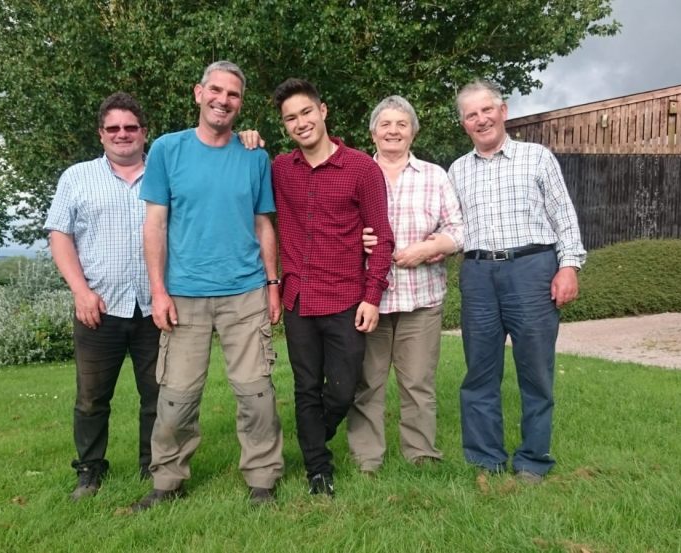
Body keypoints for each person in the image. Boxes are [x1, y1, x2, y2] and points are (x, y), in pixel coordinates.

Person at [132, 61, 284, 510]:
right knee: (176, 397)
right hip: (183, 296)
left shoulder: (255, 155)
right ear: (198, 93)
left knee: (256, 394)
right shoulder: (166, 150)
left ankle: (262, 479)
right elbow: (155, 225)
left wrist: (273, 283)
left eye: (233, 94)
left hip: (246, 292)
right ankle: (167, 481)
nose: (223, 100)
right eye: (215, 91)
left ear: (241, 103)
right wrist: (158, 290)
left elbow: (264, 224)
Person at [448, 80, 586, 483]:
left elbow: (564, 215)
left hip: (532, 269)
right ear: (464, 124)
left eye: (486, 110)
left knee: (536, 371)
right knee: (479, 372)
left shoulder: (537, 158)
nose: (481, 119)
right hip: (477, 274)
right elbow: (447, 225)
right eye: (471, 115)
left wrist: (569, 266)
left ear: (503, 111)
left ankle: (533, 460)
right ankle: (485, 459)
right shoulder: (457, 170)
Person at [271, 78, 395, 496]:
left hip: (345, 299)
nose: (300, 122)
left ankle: (311, 439)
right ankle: (317, 469)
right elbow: (237, 166)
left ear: (323, 111)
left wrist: (372, 296)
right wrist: (246, 140)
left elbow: (383, 239)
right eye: (291, 118)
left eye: (306, 112)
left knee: (341, 390)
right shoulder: (278, 170)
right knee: (306, 386)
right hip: (299, 299)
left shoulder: (362, 168)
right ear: (285, 126)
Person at [44, 91, 159, 501]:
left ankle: (154, 467)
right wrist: (80, 292)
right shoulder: (76, 177)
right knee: (92, 398)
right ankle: (90, 470)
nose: (122, 134)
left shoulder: (165, 175)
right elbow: (60, 237)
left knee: (158, 394)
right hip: (99, 306)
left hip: (155, 307)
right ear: (101, 134)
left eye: (130, 127)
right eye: (114, 128)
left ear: (144, 132)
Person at [345, 96, 465, 473]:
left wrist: (430, 247)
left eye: (401, 124)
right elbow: (333, 230)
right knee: (367, 382)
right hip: (369, 301)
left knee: (418, 383)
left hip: (421, 298)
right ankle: (367, 457)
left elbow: (458, 231)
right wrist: (356, 241)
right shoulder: (356, 172)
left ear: (413, 131)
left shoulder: (434, 176)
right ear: (373, 132)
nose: (393, 131)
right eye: (385, 124)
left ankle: (421, 455)